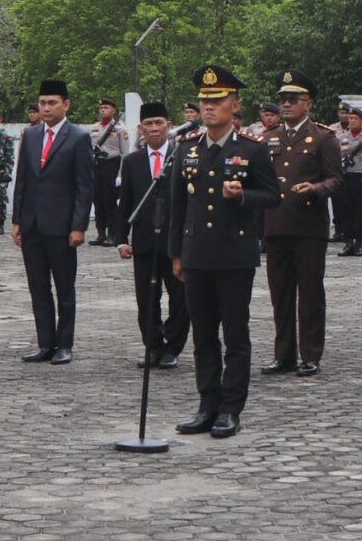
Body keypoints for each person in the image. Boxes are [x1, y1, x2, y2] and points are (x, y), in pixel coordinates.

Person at [165, 66, 280, 438]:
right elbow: (177, 206)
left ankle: (231, 408)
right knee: (203, 336)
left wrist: (243, 195)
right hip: (196, 253)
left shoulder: (252, 148)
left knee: (235, 335)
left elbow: (272, 196)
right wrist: (176, 254)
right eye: (204, 101)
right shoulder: (187, 147)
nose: (208, 107)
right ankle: (207, 404)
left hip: (234, 255)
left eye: (216, 100)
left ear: (235, 104)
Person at [260, 70, 343, 378]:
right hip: (276, 225)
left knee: (310, 294)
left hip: (308, 227)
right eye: (283, 99)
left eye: (293, 99)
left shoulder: (323, 137)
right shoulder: (268, 138)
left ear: (307, 103)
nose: (286, 104)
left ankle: (310, 354)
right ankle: (283, 355)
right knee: (280, 295)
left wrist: (316, 189)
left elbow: (336, 179)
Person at [11, 78, 94, 364]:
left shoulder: (78, 137)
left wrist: (79, 225)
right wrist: (17, 219)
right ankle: (45, 343)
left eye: (52, 103)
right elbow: (22, 179)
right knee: (38, 287)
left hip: (61, 226)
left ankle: (64, 344)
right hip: (32, 223)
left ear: (65, 104)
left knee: (64, 287)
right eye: (43, 103)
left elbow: (84, 185)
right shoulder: (31, 135)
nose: (46, 108)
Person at [116, 101, 188, 370]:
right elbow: (126, 202)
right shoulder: (132, 161)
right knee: (146, 299)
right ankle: (153, 346)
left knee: (180, 298)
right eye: (149, 124)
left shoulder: (181, 157)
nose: (154, 128)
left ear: (169, 125)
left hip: (175, 242)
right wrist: (121, 239)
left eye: (159, 123)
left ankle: (172, 347)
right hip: (144, 241)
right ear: (141, 129)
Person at [88, 97, 128, 246]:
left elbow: (125, 153)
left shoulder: (120, 129)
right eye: (101, 108)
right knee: (97, 200)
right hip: (97, 166)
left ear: (113, 110)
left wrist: (120, 175)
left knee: (110, 201)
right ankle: (101, 234)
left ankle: (112, 234)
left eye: (106, 108)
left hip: (112, 165)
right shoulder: (94, 128)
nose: (103, 110)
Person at [336, 106, 362, 257]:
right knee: (346, 210)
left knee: (360, 211)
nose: (352, 121)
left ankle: (358, 243)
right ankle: (348, 241)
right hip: (346, 176)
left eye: (355, 118)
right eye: (350, 118)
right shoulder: (341, 137)